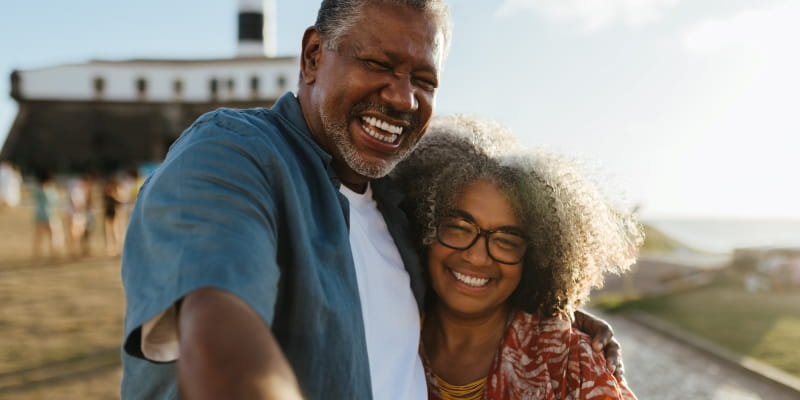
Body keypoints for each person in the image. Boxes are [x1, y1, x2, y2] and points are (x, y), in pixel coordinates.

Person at [121, 1, 621, 399]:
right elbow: (221, 329)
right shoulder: (232, 154)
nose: (403, 98)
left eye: (424, 80)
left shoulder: (399, 199)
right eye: (378, 64)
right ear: (313, 56)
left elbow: (468, 266)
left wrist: (550, 316)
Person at [392, 116, 643, 400]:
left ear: (537, 258)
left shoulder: (573, 364)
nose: (476, 256)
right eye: (459, 228)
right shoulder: (380, 330)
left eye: (506, 241)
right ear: (424, 225)